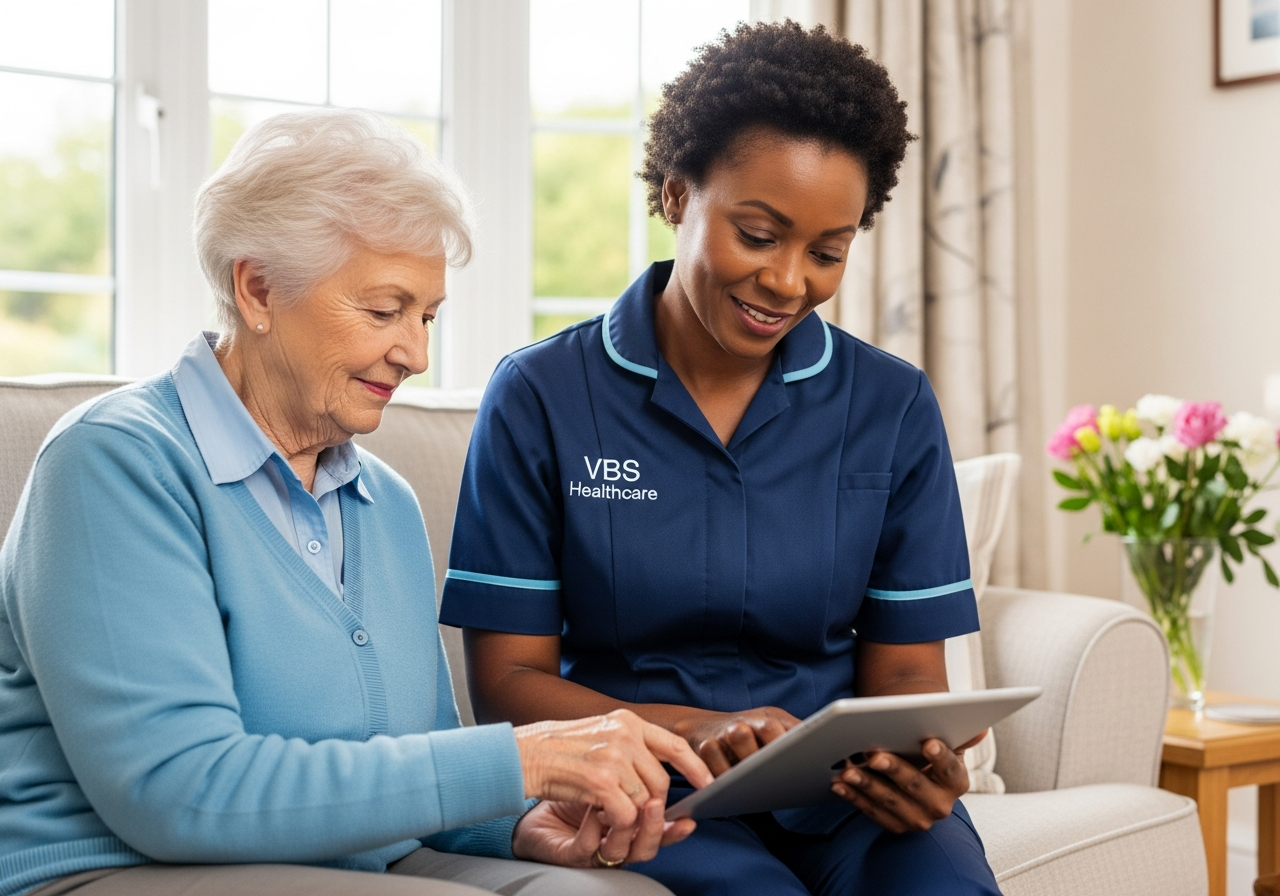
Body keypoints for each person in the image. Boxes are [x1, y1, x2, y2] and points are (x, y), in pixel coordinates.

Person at [0, 109, 713, 896]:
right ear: (258, 287)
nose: (415, 352)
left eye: (428, 316)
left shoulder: (384, 501)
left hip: (356, 862)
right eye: (384, 311)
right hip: (117, 869)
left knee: (628, 895)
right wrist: (519, 757)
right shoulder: (115, 462)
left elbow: (417, 762)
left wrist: (515, 821)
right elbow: (178, 790)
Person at [439, 21, 1001, 896]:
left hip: (848, 799)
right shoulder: (543, 396)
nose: (787, 282)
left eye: (827, 252)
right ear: (675, 195)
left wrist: (923, 764)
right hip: (647, 785)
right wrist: (689, 728)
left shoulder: (891, 405)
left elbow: (905, 674)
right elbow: (509, 684)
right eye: (758, 233)